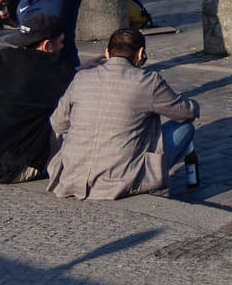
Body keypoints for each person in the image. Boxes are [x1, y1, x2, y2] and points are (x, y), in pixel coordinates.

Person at [46, 28, 200, 200]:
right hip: (119, 181)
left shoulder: (81, 78)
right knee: (184, 127)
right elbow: (186, 113)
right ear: (141, 53)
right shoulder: (149, 81)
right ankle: (148, 178)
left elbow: (58, 123)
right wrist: (194, 105)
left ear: (107, 52)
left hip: (71, 176)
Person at [0, 13, 76, 183]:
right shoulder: (57, 70)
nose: (63, 46)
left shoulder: (4, 57)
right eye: (61, 41)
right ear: (47, 45)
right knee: (66, 114)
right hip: (12, 168)